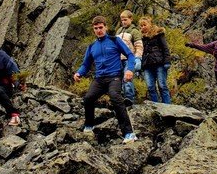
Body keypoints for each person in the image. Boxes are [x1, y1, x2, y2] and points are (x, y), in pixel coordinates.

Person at [74, 16, 138, 144]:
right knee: (88, 98)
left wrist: (130, 69)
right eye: (96, 28)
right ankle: (89, 127)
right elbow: (86, 64)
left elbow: (130, 55)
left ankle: (129, 133)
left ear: (106, 27)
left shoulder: (115, 41)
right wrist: (79, 73)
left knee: (115, 97)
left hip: (114, 76)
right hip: (99, 78)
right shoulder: (92, 46)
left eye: (101, 27)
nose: (98, 30)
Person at [138, 16, 172, 104]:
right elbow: (139, 51)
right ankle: (155, 106)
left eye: (144, 25)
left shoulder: (158, 34)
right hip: (147, 65)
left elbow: (165, 48)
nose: (142, 27)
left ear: (150, 24)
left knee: (162, 85)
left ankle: (168, 107)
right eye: (141, 26)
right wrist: (139, 66)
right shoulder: (140, 38)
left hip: (159, 63)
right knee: (150, 87)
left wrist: (167, 61)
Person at [116, 10, 144, 104]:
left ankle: (129, 99)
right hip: (119, 60)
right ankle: (120, 99)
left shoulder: (134, 31)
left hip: (129, 59)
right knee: (118, 80)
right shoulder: (119, 31)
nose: (123, 22)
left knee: (127, 79)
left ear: (131, 19)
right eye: (122, 20)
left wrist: (138, 58)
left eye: (125, 20)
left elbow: (139, 46)